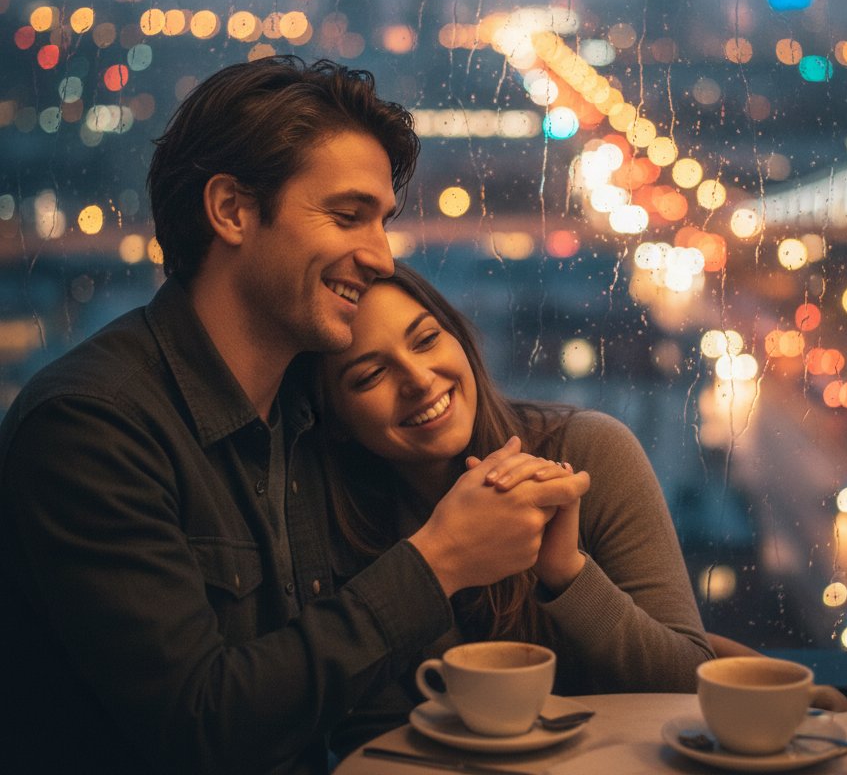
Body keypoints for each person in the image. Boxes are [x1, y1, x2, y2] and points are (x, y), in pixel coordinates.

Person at [0, 56, 590, 775]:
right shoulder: (91, 428)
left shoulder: (310, 413)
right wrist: (439, 562)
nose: (379, 257)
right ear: (232, 211)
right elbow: (198, 726)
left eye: (382, 222)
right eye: (348, 217)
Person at [318, 262, 847, 755]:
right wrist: (436, 562)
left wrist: (567, 574)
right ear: (334, 419)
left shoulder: (587, 454)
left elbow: (682, 682)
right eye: (369, 376)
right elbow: (364, 733)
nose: (416, 379)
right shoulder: (335, 524)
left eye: (427, 339)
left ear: (459, 338)